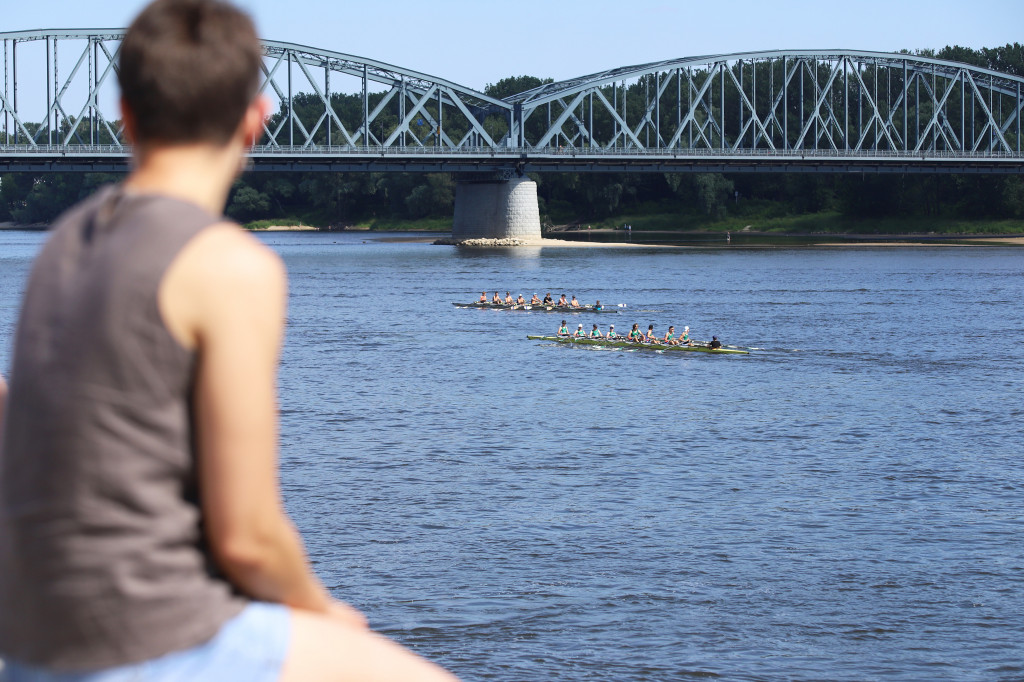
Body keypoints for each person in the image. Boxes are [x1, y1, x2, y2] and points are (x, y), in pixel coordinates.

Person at [0, 3, 456, 681]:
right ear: (256, 120)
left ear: (124, 115)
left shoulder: (62, 242)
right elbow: (248, 539)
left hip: (33, 642)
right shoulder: (229, 265)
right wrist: (323, 611)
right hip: (147, 639)